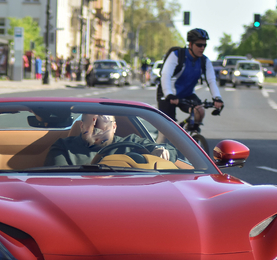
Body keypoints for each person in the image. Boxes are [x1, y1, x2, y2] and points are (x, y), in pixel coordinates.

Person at [44, 113, 177, 166]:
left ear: (114, 127)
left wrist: (162, 152)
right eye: (92, 122)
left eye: (104, 122)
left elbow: (171, 152)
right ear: (81, 125)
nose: (98, 128)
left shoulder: (132, 143)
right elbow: (55, 183)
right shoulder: (64, 148)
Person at [158, 28, 224, 127]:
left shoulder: (204, 61)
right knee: (166, 129)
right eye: (199, 45)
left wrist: (217, 98)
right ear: (190, 44)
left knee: (199, 112)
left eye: (204, 45)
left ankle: (189, 134)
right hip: (168, 94)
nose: (202, 48)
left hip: (187, 94)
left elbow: (211, 81)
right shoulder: (176, 55)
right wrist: (169, 94)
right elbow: (165, 75)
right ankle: (162, 140)